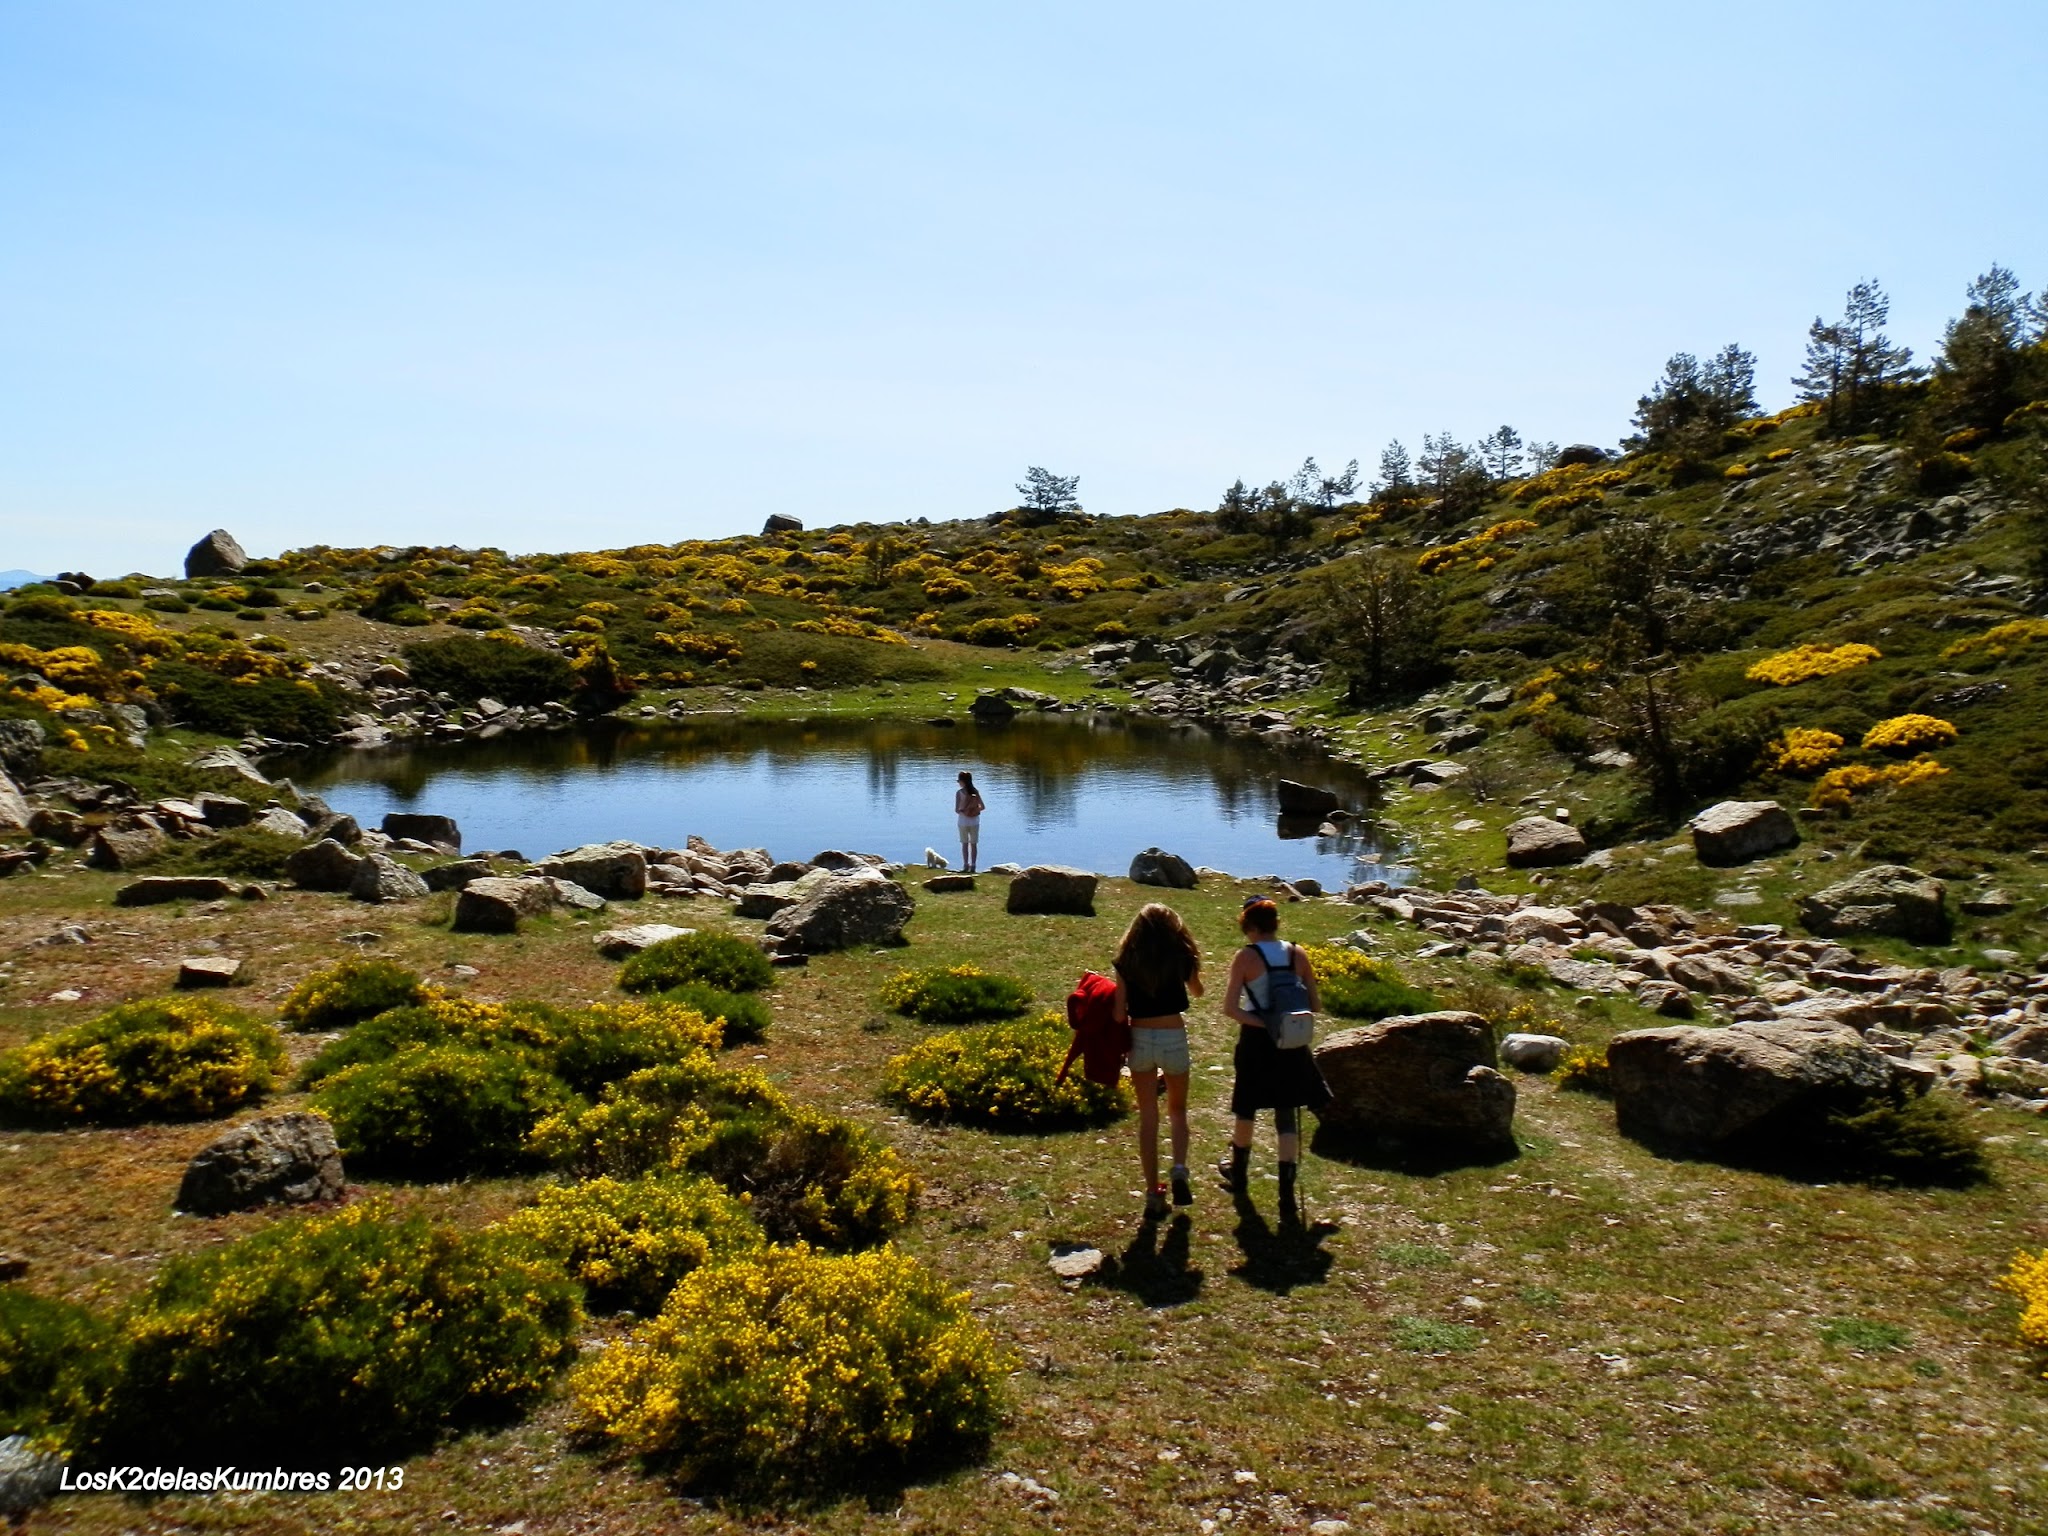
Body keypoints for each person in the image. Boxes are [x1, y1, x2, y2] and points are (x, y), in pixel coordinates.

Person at [1218, 894, 1331, 1222]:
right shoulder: (1298, 953)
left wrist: (1266, 1023)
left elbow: (1230, 1009)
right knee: (1286, 1111)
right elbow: (1315, 1005)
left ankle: (1238, 1175)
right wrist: (1284, 1024)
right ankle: (1285, 1194)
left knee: (1246, 1107)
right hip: (1292, 1042)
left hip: (1257, 1042)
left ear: (1249, 925)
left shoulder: (1245, 958)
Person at [1113, 903, 1203, 1219]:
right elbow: (1198, 991)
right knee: (1177, 1109)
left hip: (1140, 1039)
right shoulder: (1181, 955)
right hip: (1173, 1036)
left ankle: (1153, 1192)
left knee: (1148, 1115)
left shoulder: (1126, 960)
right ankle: (1179, 1168)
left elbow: (1117, 1012)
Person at [954, 771, 985, 873]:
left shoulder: (959, 793)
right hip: (974, 821)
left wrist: (965, 810)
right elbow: (982, 807)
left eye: (959, 781)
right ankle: (973, 865)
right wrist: (974, 810)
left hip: (963, 821)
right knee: (974, 844)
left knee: (964, 844)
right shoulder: (975, 792)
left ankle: (965, 865)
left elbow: (957, 810)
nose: (959, 783)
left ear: (962, 781)